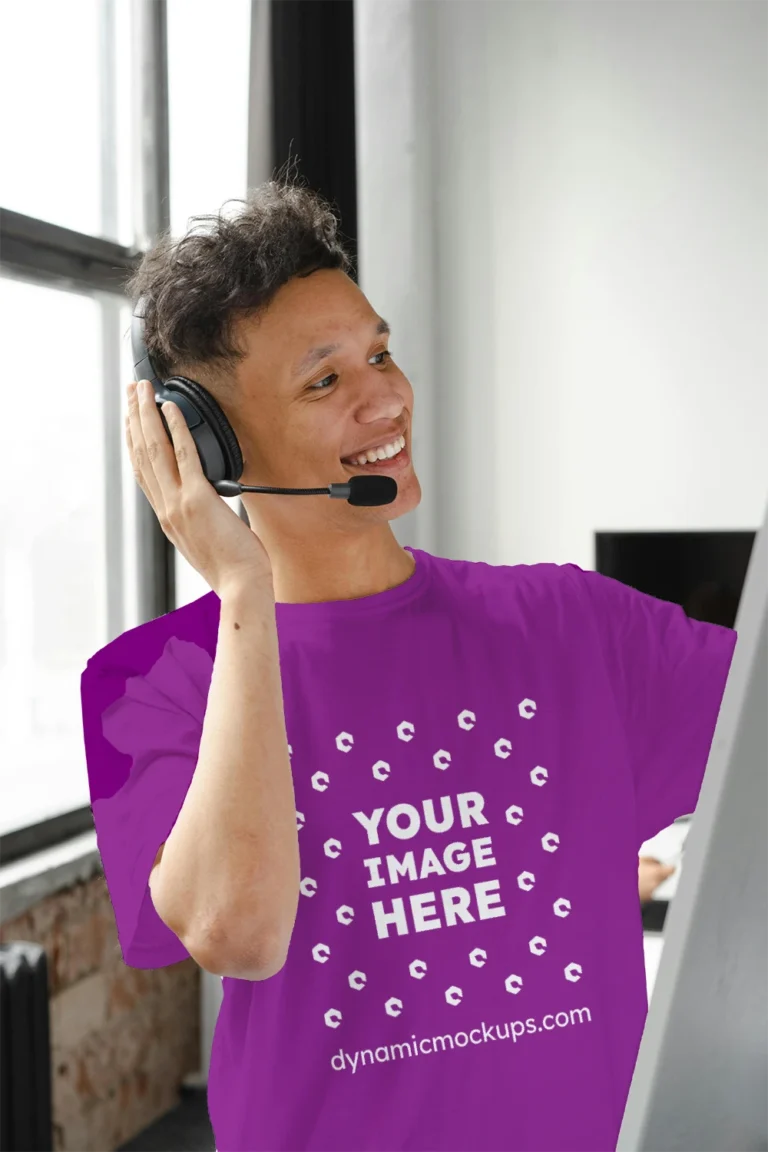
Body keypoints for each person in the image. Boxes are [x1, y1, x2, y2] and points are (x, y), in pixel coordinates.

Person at [80, 175, 737, 1152]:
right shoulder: (152, 683)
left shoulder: (573, 624)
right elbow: (240, 930)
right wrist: (243, 591)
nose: (385, 394)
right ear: (211, 447)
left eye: (379, 351)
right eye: (325, 380)